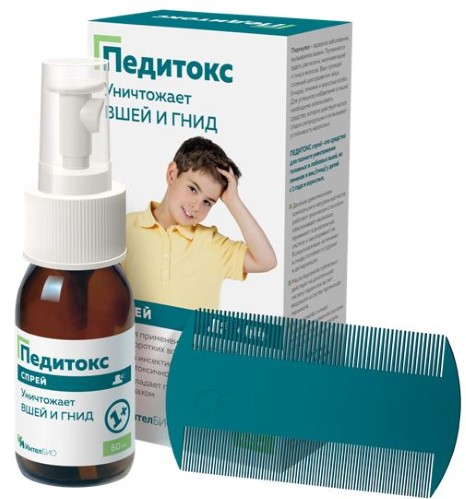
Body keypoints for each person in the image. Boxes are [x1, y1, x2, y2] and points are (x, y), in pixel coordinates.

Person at [122, 136, 277, 310]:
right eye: (193, 189)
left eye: (207, 202)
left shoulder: (212, 244)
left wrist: (233, 201)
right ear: (172, 174)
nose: (196, 206)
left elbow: (266, 261)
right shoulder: (125, 228)